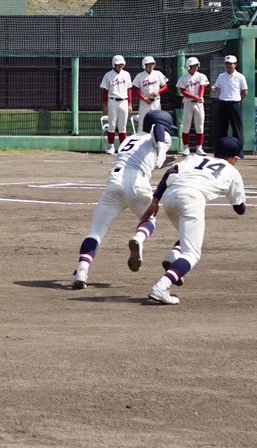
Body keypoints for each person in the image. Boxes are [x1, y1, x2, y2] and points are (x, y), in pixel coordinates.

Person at [70, 109, 173, 289]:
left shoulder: (130, 139)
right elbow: (157, 129)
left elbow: (140, 159)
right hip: (137, 183)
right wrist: (162, 146)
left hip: (114, 182)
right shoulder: (160, 135)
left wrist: (163, 160)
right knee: (149, 221)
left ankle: (82, 271)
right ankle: (138, 239)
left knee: (95, 232)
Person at [138, 136, 246, 306]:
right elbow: (240, 209)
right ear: (233, 158)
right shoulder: (232, 171)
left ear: (215, 152)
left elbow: (170, 172)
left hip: (170, 198)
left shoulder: (195, 158)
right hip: (191, 200)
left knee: (188, 236)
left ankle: (173, 257)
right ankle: (161, 287)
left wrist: (155, 201)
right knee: (192, 254)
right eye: (236, 158)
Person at [212, 54, 247, 147]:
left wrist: (239, 101)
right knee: (222, 128)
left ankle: (238, 149)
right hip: (223, 104)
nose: (228, 65)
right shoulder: (221, 76)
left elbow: (245, 92)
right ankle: (222, 149)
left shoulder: (240, 76)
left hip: (235, 104)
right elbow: (216, 86)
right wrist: (214, 88)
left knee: (237, 128)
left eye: (230, 64)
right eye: (227, 63)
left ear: (235, 64)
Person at [177, 57, 209, 153]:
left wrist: (200, 96)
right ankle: (186, 148)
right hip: (188, 103)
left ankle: (199, 148)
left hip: (199, 103)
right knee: (186, 125)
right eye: (193, 66)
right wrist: (192, 96)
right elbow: (182, 91)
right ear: (188, 66)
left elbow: (202, 87)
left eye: (196, 65)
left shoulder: (201, 76)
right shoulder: (183, 78)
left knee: (200, 126)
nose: (196, 67)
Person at [100, 55, 132, 152]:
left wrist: (130, 104)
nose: (120, 66)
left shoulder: (126, 74)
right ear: (113, 64)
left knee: (122, 126)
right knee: (112, 125)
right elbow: (105, 91)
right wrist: (104, 105)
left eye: (122, 64)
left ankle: (122, 148)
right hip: (112, 101)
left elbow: (129, 90)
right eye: (118, 64)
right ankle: (111, 147)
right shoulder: (108, 75)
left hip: (124, 101)